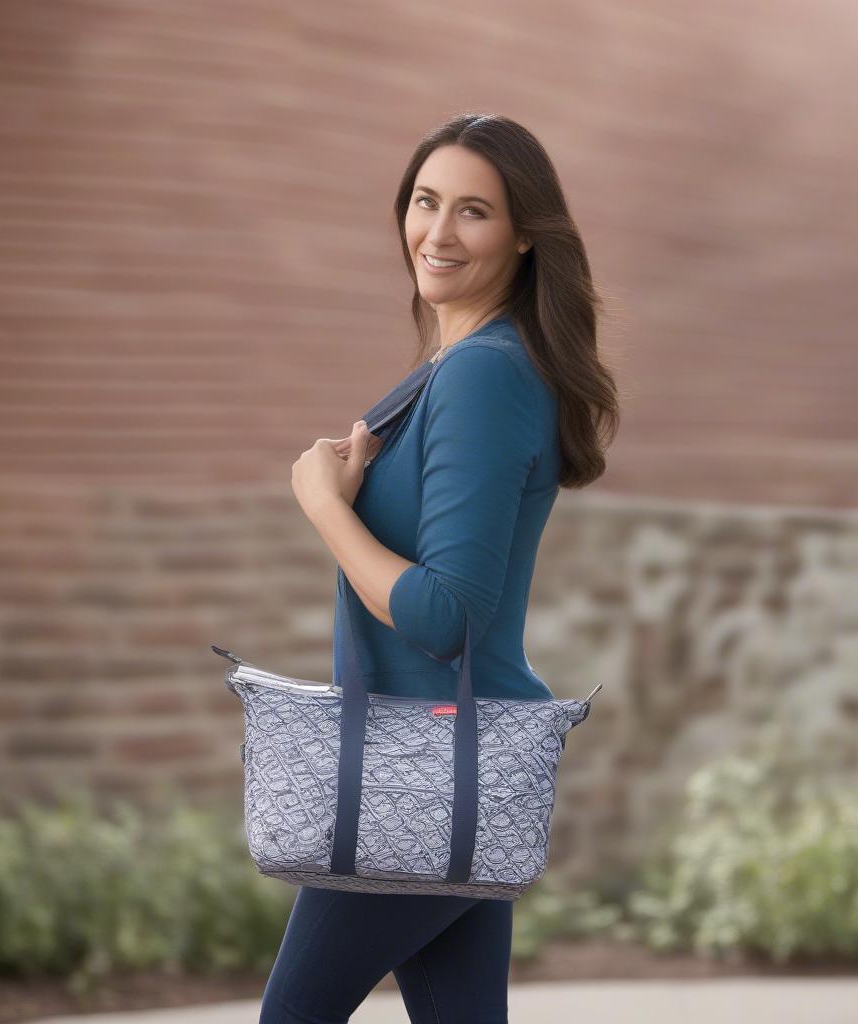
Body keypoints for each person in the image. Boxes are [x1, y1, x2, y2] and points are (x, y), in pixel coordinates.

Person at [261, 112, 619, 1024]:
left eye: (474, 212)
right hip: (454, 760)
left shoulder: (482, 375)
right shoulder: (457, 364)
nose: (438, 232)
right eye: (425, 202)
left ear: (524, 235)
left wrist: (325, 508)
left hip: (424, 769)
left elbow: (444, 614)